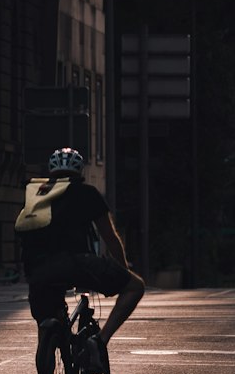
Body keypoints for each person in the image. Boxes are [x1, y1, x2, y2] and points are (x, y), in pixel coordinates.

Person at [16, 147, 145, 358]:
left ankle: (46, 373)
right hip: (77, 264)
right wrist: (122, 268)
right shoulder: (87, 193)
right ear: (80, 171)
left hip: (38, 270)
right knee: (135, 286)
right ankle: (100, 341)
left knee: (47, 321)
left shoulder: (36, 195)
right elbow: (110, 237)